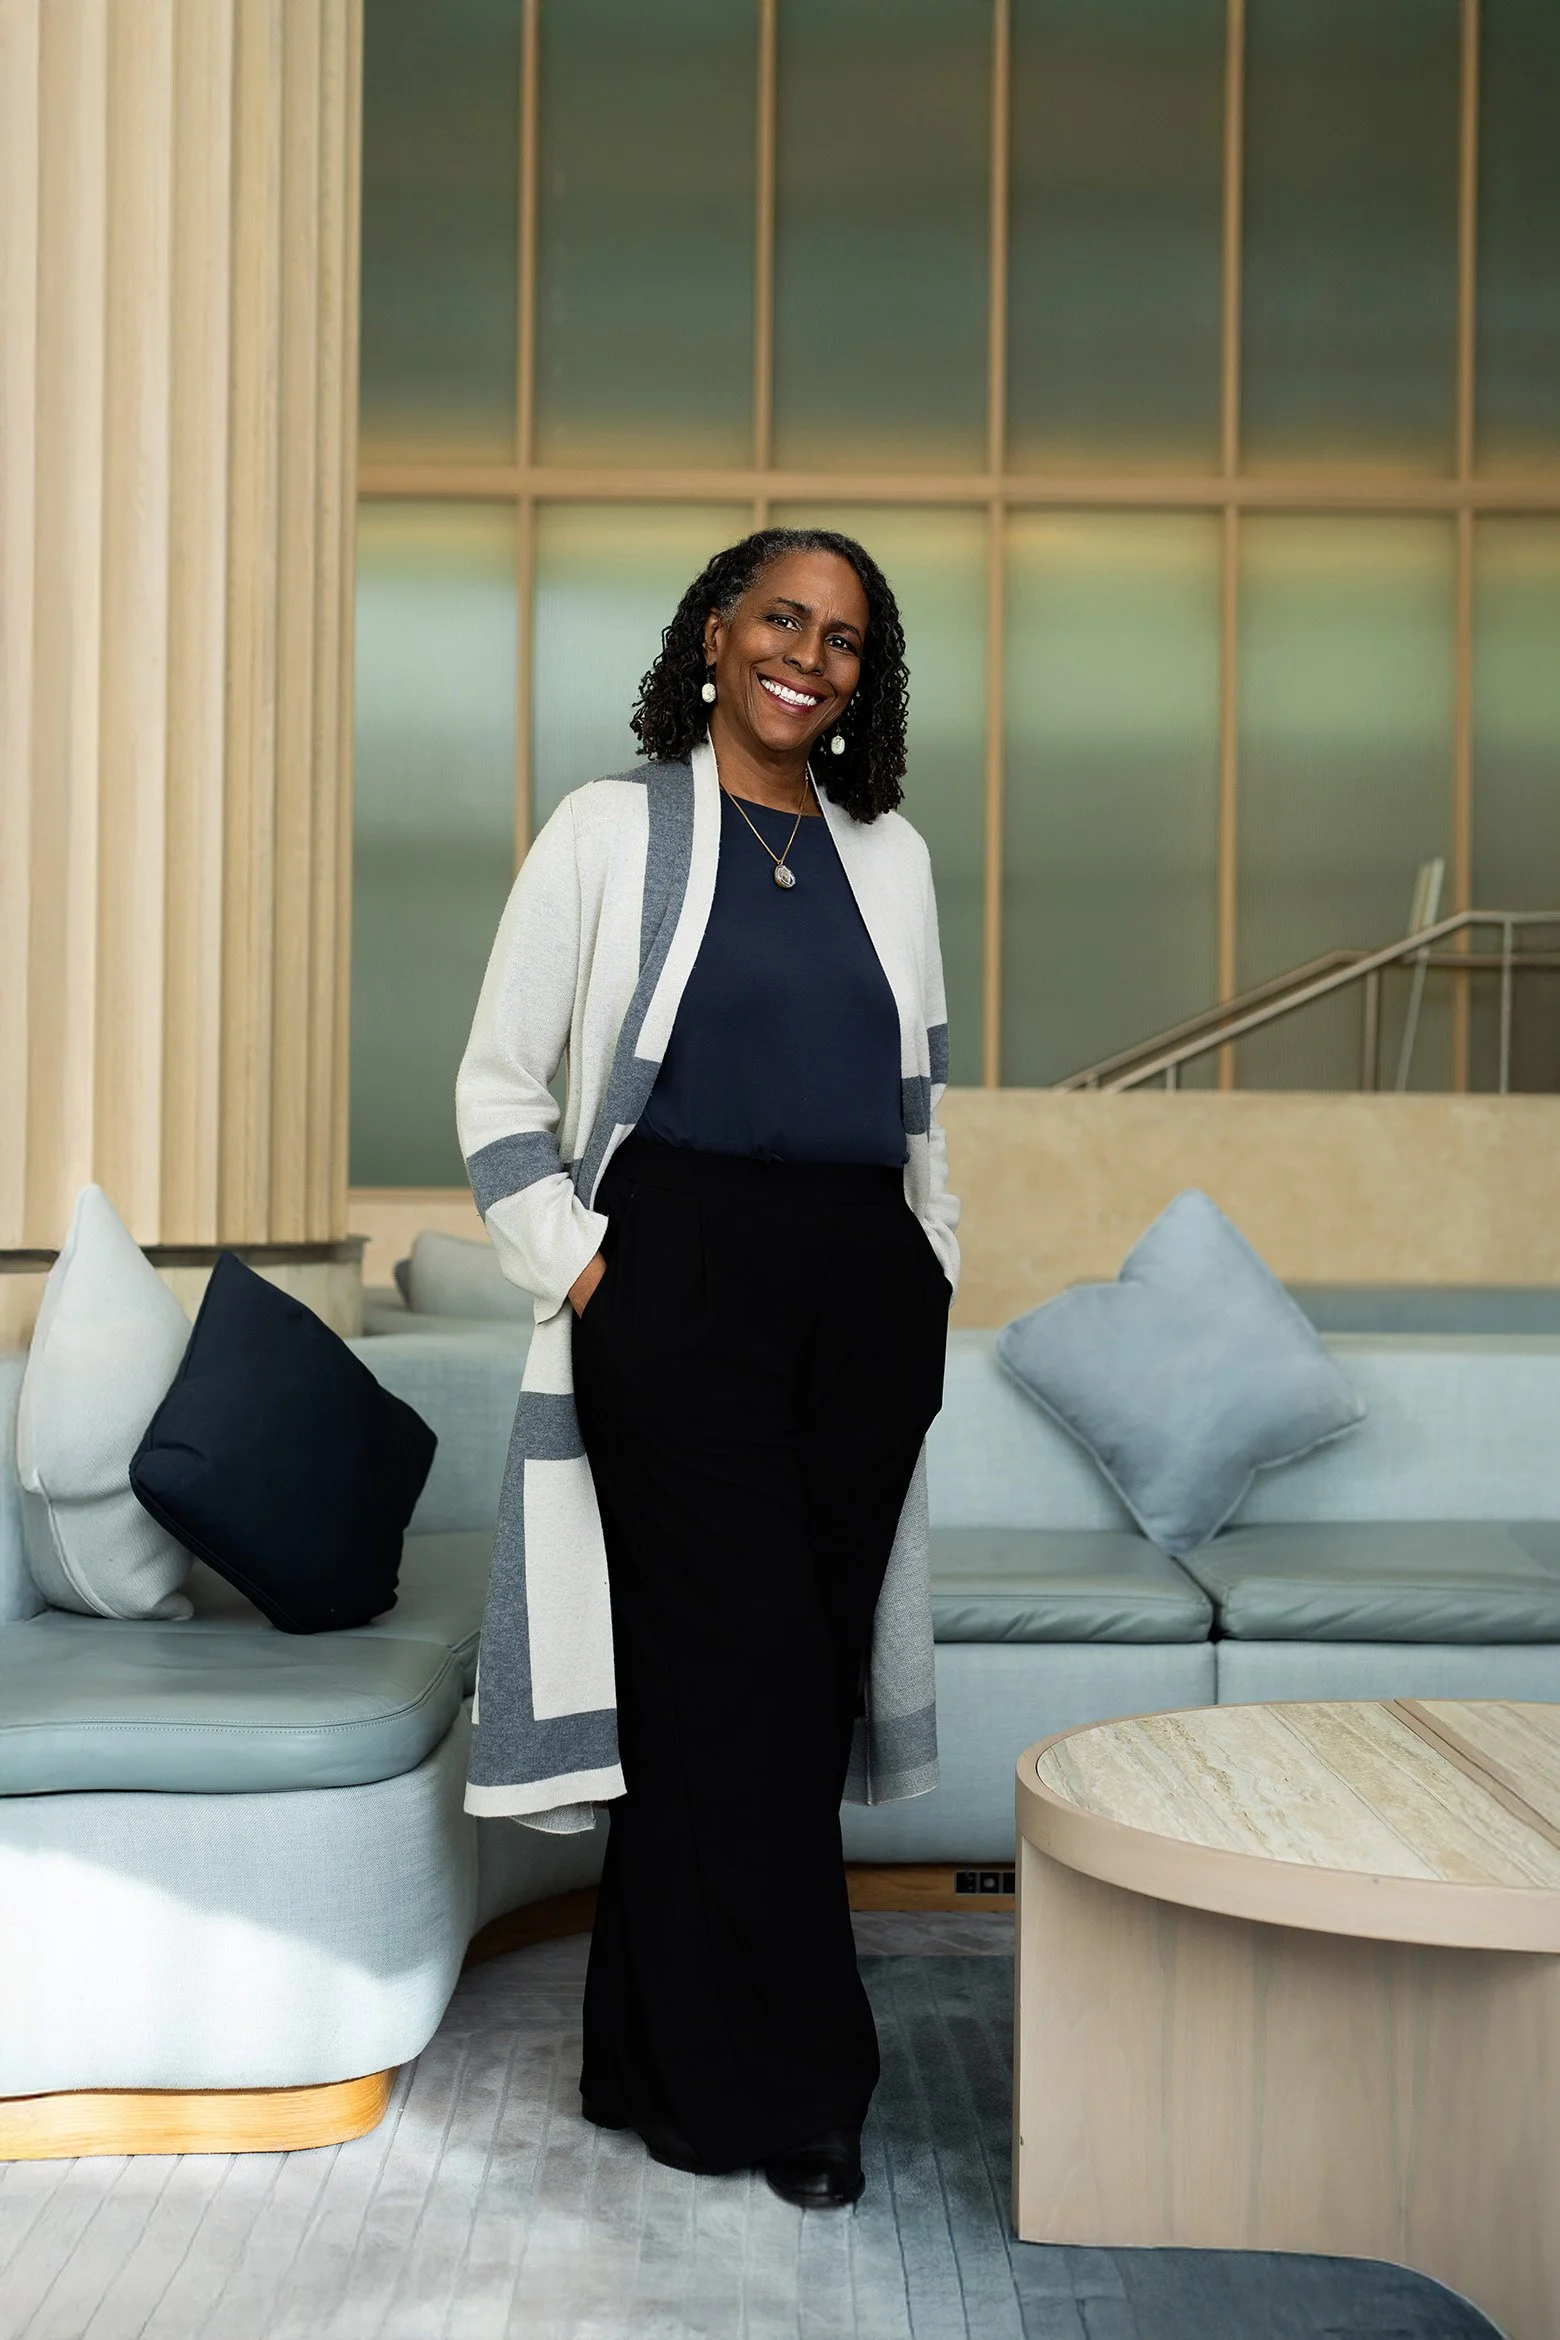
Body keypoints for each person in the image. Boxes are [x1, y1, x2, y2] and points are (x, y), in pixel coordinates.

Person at [456, 527, 959, 2210]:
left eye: (842, 640)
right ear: (716, 636)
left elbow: (920, 1112)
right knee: (736, 1668)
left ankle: (648, 2055)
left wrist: (930, 1272)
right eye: (781, 620)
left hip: (860, 1299)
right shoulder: (607, 831)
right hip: (674, 1280)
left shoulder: (893, 858)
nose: (808, 655)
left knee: (774, 1695)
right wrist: (592, 1267)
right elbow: (494, 1090)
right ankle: (801, 2089)